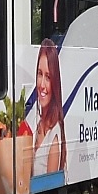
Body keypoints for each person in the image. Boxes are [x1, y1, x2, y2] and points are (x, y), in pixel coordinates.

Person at [32, 39, 67, 176]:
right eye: (40, 74)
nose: (42, 85)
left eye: (48, 77)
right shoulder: (38, 125)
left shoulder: (54, 135)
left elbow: (51, 183)